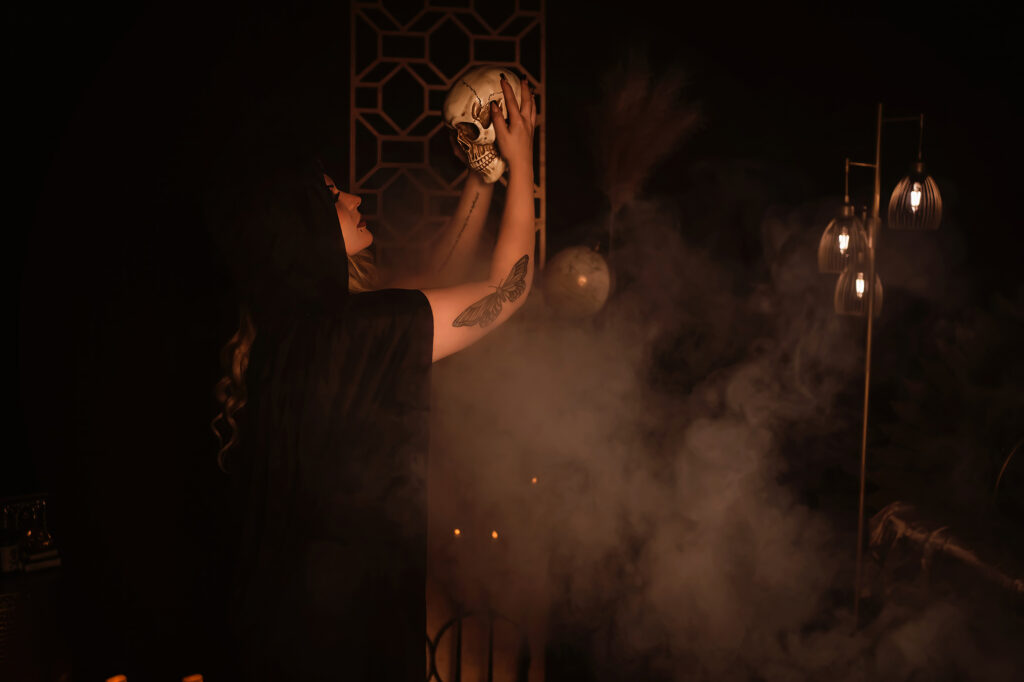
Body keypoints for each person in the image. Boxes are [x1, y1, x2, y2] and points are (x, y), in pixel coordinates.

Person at [207, 75, 536, 681]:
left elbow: (432, 288)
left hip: (274, 643)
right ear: (302, 226)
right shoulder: (350, 334)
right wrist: (522, 162)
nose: (354, 199)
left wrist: (481, 179)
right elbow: (504, 291)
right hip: (337, 647)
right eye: (333, 194)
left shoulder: (288, 340)